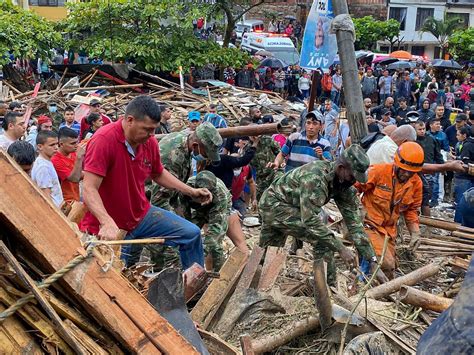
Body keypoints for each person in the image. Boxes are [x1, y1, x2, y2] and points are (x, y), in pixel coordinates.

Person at [79, 96, 212, 269]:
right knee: (117, 276)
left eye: (154, 130)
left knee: (192, 234)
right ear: (129, 120)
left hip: (141, 215)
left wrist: (191, 191)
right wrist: (106, 221)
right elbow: (89, 188)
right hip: (111, 228)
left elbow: (158, 173)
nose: (151, 135)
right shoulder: (103, 140)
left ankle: (194, 289)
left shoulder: (149, 142)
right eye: (147, 129)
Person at [259, 144, 387, 286]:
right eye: (352, 176)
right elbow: (310, 221)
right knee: (324, 242)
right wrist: (341, 249)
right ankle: (327, 289)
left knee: (269, 251)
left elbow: (355, 226)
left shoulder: (344, 185)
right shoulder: (315, 178)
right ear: (341, 168)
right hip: (273, 205)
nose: (354, 181)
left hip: (292, 208)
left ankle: (260, 280)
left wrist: (372, 260)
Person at [356, 142, 423, 279]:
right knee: (385, 263)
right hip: (370, 225)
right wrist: (357, 206)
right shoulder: (378, 172)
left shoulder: (416, 184)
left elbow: (412, 210)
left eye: (410, 172)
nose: (406, 174)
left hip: (388, 231)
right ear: (396, 163)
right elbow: (353, 186)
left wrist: (415, 232)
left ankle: (370, 288)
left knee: (390, 270)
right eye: (403, 169)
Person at [181, 171, 248, 271]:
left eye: (207, 194)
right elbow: (184, 214)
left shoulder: (220, 195)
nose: (204, 198)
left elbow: (216, 229)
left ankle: (220, 274)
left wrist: (203, 250)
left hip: (220, 209)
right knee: (187, 235)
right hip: (198, 211)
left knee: (215, 244)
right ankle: (188, 270)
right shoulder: (186, 189)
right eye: (201, 194)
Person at [150, 121, 222, 211]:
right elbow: (158, 203)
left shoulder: (185, 142)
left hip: (170, 199)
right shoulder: (173, 157)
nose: (207, 159)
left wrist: (191, 194)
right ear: (195, 146)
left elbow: (176, 188)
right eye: (206, 155)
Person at [415, 120, 444, 216]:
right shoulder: (412, 140)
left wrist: (442, 166)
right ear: (415, 130)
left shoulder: (431, 139)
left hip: (429, 170)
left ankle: (426, 217)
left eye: (423, 129)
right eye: (419, 129)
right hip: (415, 171)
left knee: (427, 195)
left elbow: (438, 154)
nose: (422, 131)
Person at [51, 128, 86, 203]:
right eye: (72, 143)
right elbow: (74, 179)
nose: (76, 146)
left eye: (77, 142)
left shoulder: (73, 153)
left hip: (75, 197)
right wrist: (79, 158)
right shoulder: (55, 159)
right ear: (61, 144)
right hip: (65, 201)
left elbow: (80, 173)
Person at [31, 131, 63, 207]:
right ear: (40, 146)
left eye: (56, 144)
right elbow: (46, 197)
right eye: (52, 145)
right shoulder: (43, 167)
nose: (56, 147)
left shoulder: (46, 162)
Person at [453, 126, 474, 223]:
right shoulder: (468, 144)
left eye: (458, 134)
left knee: (461, 203)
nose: (456, 137)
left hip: (464, 178)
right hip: (469, 178)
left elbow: (465, 162)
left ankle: (458, 226)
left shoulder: (467, 145)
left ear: (464, 135)